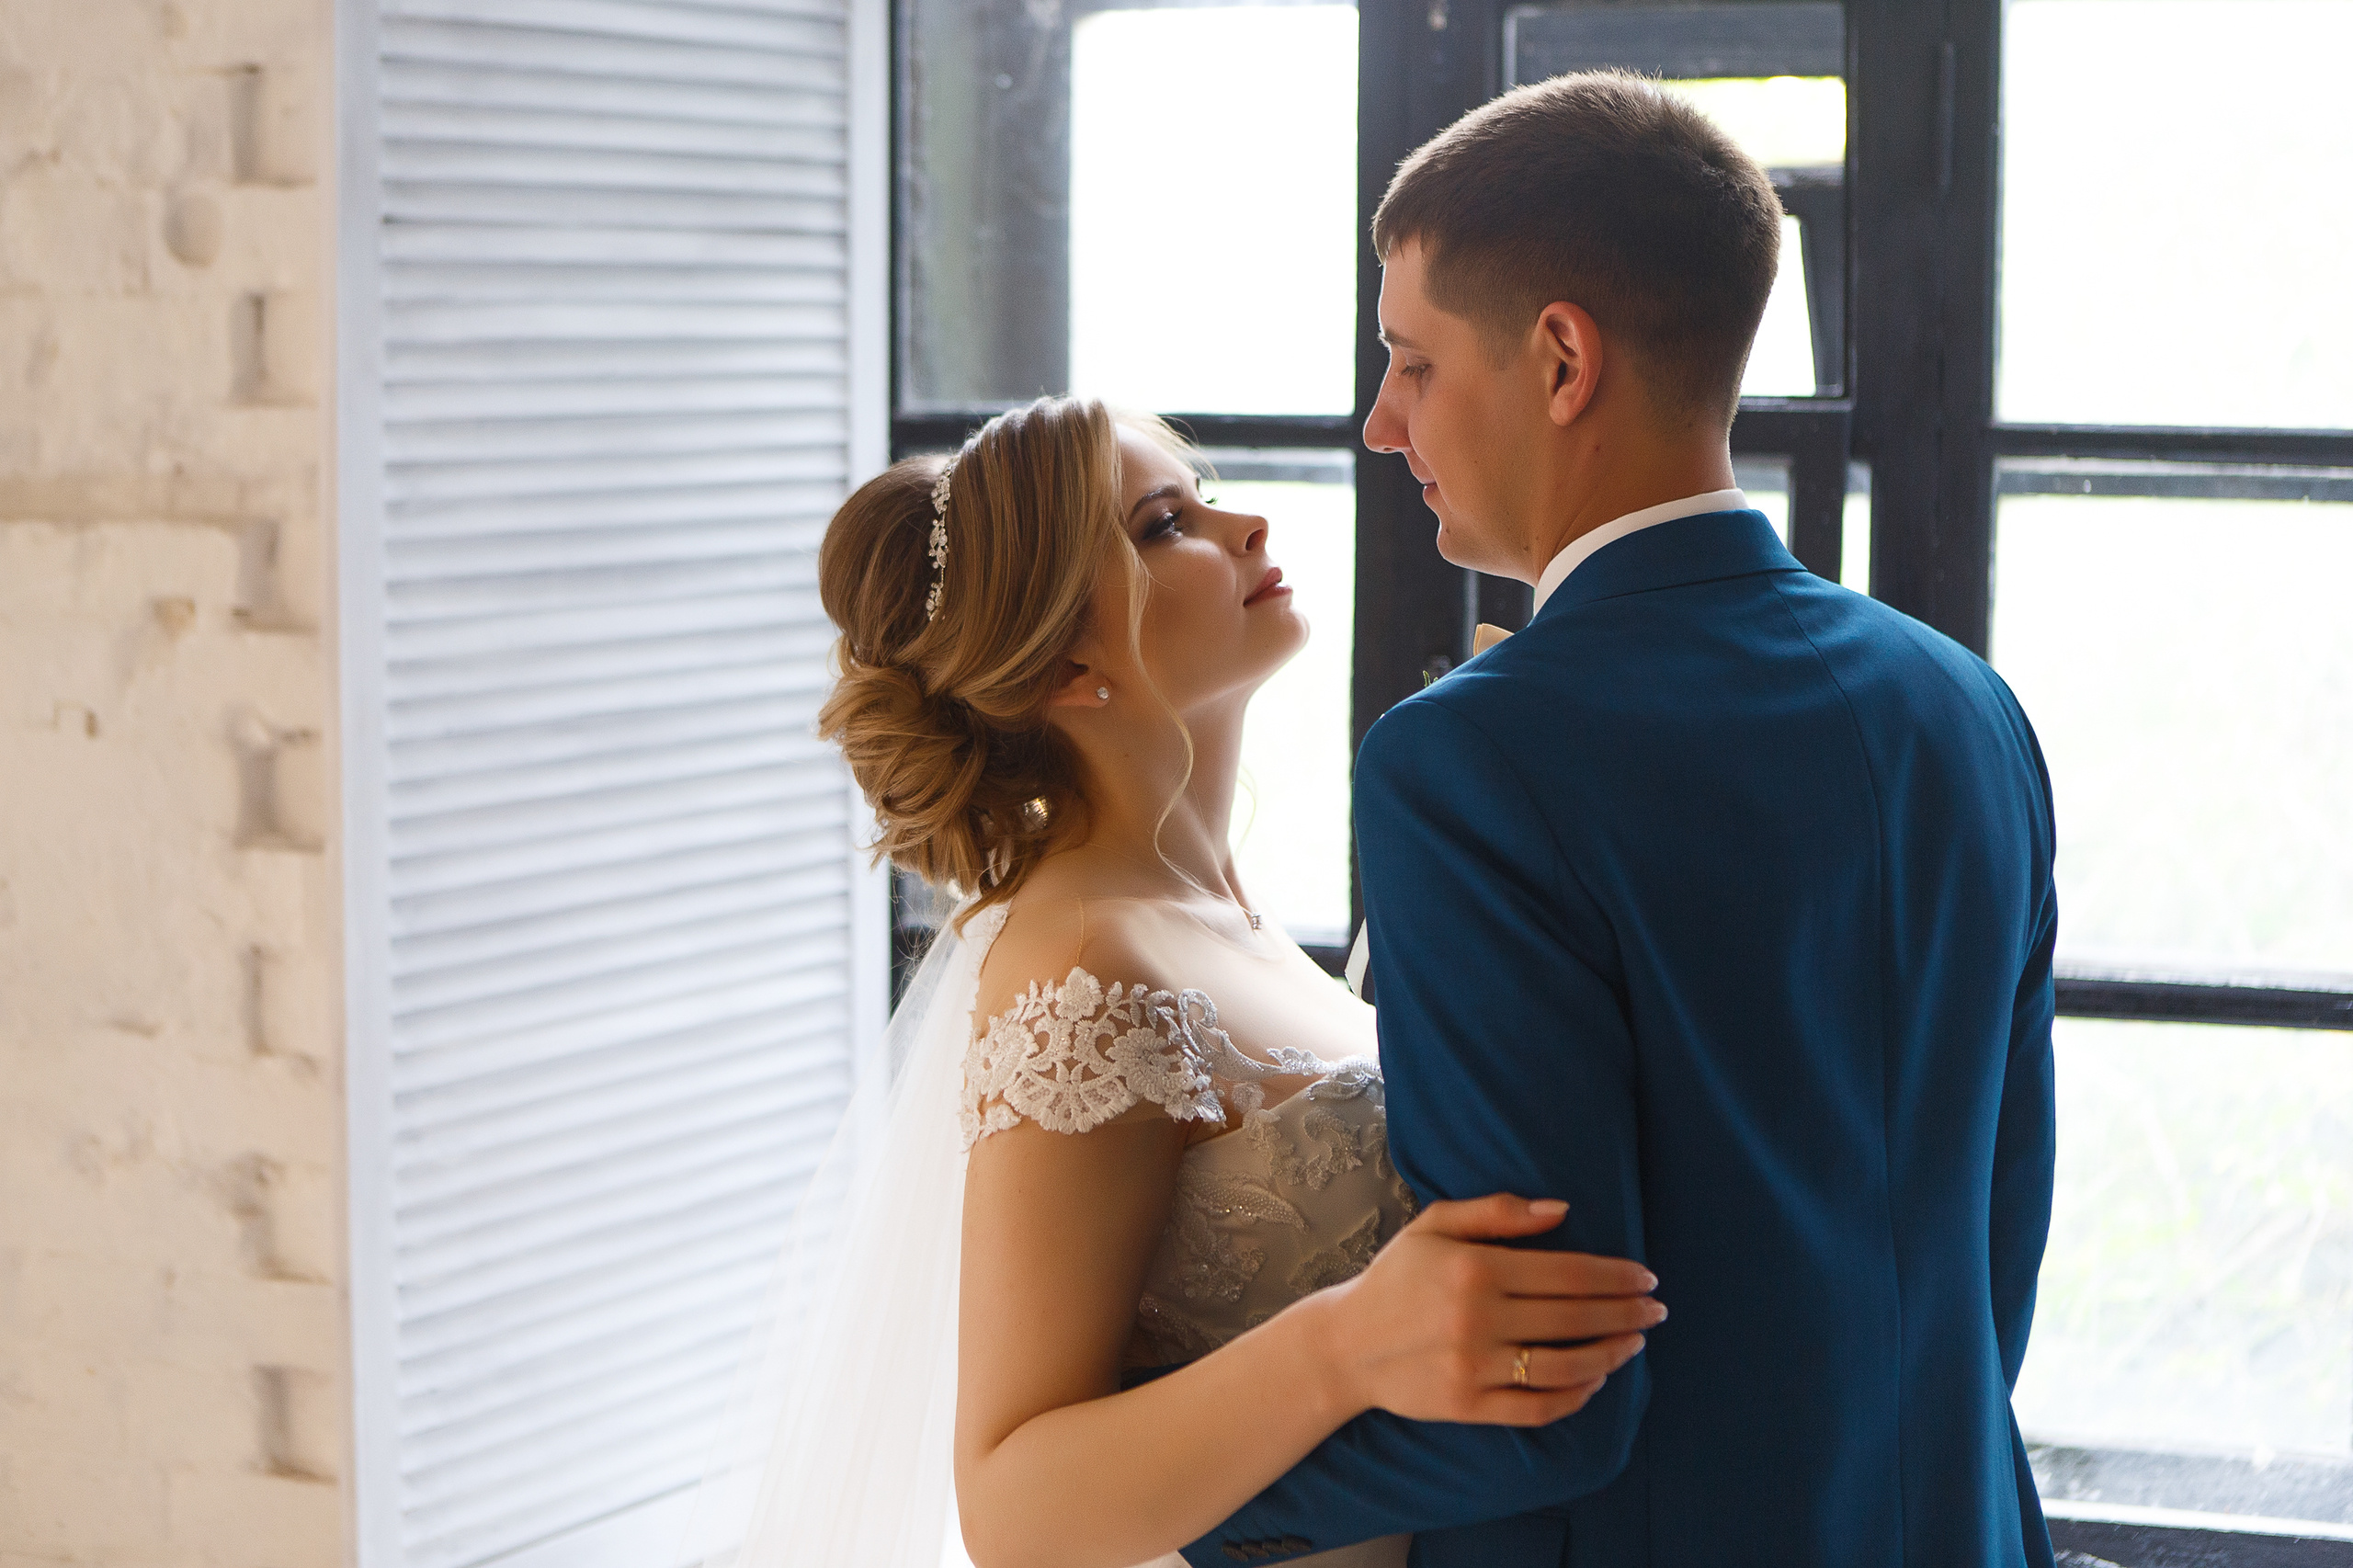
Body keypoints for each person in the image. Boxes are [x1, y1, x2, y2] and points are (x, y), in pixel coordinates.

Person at [1179, 70, 2061, 1568]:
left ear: (1562, 358)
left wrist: (1169, 1504)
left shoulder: (1471, 761)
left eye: (1412, 363)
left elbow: (1545, 1396)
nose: (1383, 423)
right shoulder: (1969, 707)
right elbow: (1991, 1273)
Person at [694, 393, 1661, 1568]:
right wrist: (1348, 1343)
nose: (1247, 525)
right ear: (1067, 664)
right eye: (1164, 525)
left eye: (1200, 500)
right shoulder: (1087, 968)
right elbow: (1013, 1505)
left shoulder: (1226, 921)